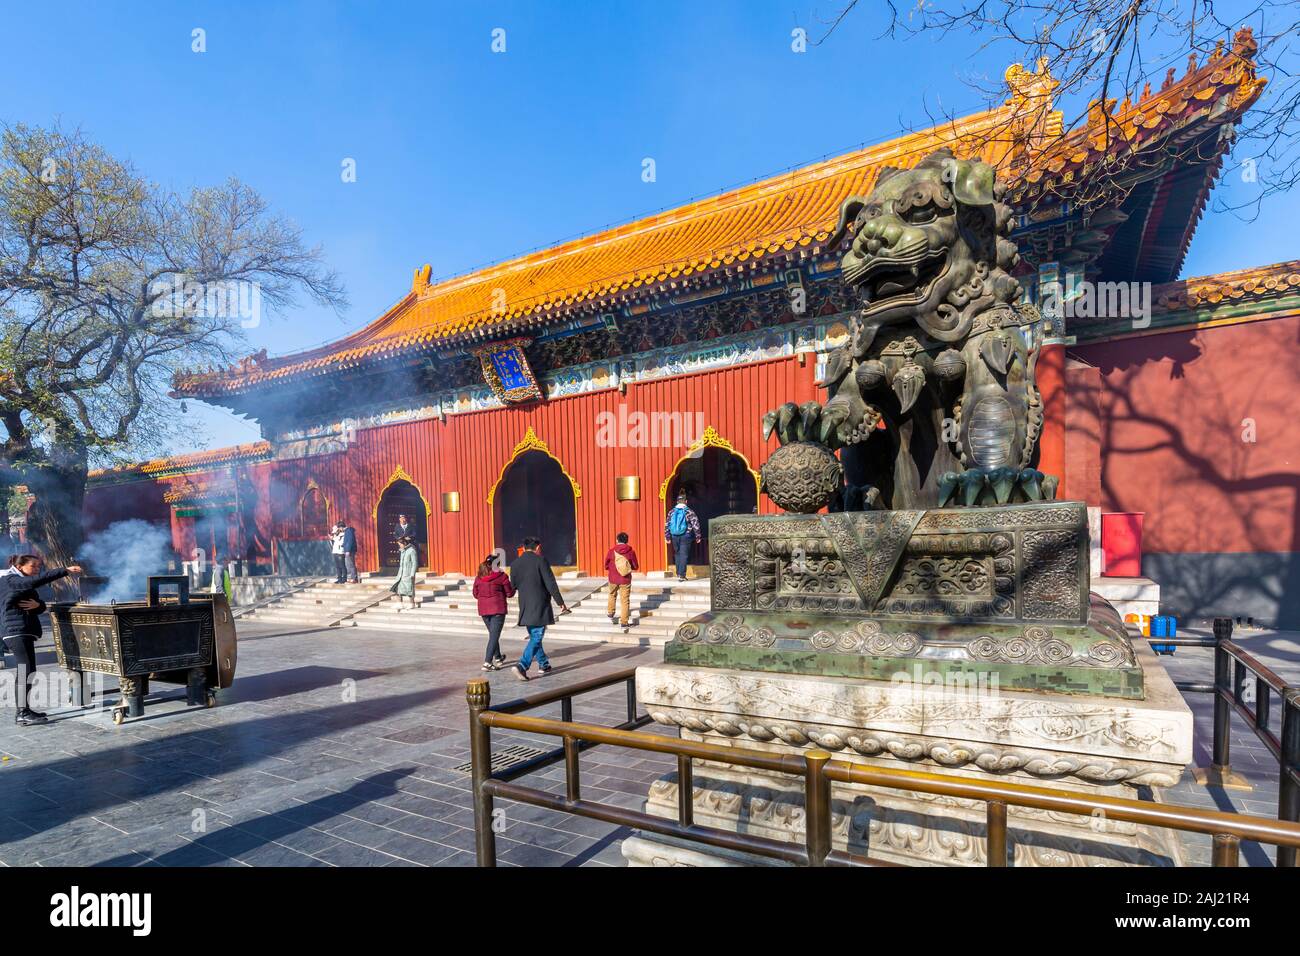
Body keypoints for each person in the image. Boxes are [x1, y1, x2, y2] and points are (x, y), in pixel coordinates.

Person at [1, 554, 82, 725]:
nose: (37, 570)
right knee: (26, 670)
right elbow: (34, 582)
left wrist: (39, 606)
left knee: (29, 670)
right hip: (15, 630)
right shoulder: (11, 580)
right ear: (21, 566)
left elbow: (38, 604)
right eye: (33, 566)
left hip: (23, 630)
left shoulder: (22, 583)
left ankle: (25, 710)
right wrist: (64, 571)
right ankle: (22, 712)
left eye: (39, 567)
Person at [509, 536, 568, 681]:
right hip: (539, 605)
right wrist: (560, 602)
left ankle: (544, 663)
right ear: (538, 547)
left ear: (523, 548)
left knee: (535, 636)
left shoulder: (515, 564)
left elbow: (513, 586)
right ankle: (522, 666)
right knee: (536, 636)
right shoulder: (541, 561)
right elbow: (550, 583)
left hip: (525, 605)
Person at [472, 553, 515, 671]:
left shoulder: (479, 577)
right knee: (494, 636)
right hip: (497, 610)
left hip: (484, 610)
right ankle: (487, 662)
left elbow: (475, 594)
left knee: (493, 635)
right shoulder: (502, 576)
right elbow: (509, 593)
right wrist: (514, 587)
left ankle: (498, 657)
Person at [604, 531, 638, 632]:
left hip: (613, 578)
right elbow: (635, 566)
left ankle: (610, 613)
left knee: (612, 594)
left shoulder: (611, 551)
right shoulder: (631, 551)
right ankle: (624, 623)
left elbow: (606, 564)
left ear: (617, 540)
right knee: (625, 601)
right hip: (625, 579)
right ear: (627, 541)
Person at [664, 492, 701, 582]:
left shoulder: (671, 512)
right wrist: (698, 536)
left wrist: (667, 536)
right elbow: (695, 524)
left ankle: (678, 573)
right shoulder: (689, 511)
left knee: (677, 553)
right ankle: (682, 575)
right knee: (684, 555)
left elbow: (667, 524)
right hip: (686, 535)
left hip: (674, 535)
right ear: (686, 501)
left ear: (677, 502)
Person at [394, 536, 419, 609]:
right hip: (401, 572)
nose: (400, 545)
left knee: (409, 588)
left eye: (400, 544)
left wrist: (412, 574)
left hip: (408, 573)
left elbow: (414, 563)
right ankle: (399, 602)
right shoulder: (402, 551)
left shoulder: (412, 550)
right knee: (397, 587)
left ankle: (412, 603)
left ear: (404, 543)